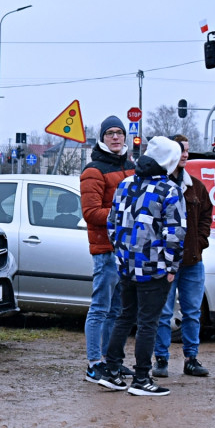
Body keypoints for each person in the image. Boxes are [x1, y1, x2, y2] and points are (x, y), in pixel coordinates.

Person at [101, 136, 187, 396]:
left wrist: (122, 254)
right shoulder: (169, 190)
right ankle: (141, 379)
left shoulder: (126, 183)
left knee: (124, 316)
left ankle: (112, 372)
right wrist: (172, 267)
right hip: (155, 267)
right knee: (148, 322)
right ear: (169, 161)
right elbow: (175, 233)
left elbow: (112, 223)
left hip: (127, 265)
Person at [80, 116, 135, 385]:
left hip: (127, 250)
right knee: (100, 308)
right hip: (106, 249)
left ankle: (111, 361)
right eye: (110, 133)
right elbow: (90, 212)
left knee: (117, 310)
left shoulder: (131, 167)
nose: (115, 137)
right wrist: (123, 215)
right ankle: (94, 364)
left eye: (119, 132)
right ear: (102, 137)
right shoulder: (93, 170)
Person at [153, 134, 213, 378]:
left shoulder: (196, 186)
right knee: (163, 313)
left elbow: (207, 216)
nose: (185, 155)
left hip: (192, 262)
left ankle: (191, 358)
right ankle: (161, 360)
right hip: (166, 263)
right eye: (181, 151)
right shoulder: (158, 184)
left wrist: (199, 242)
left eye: (187, 150)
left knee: (192, 312)